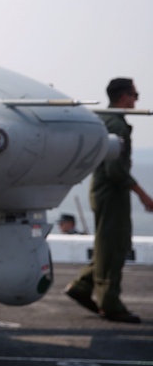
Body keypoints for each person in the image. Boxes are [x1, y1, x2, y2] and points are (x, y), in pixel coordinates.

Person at [64, 78, 153, 324]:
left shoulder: (108, 120)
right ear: (123, 96)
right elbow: (115, 170)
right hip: (111, 192)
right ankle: (110, 303)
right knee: (113, 246)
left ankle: (83, 286)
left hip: (106, 191)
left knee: (114, 244)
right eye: (135, 95)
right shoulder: (115, 123)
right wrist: (143, 194)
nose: (136, 100)